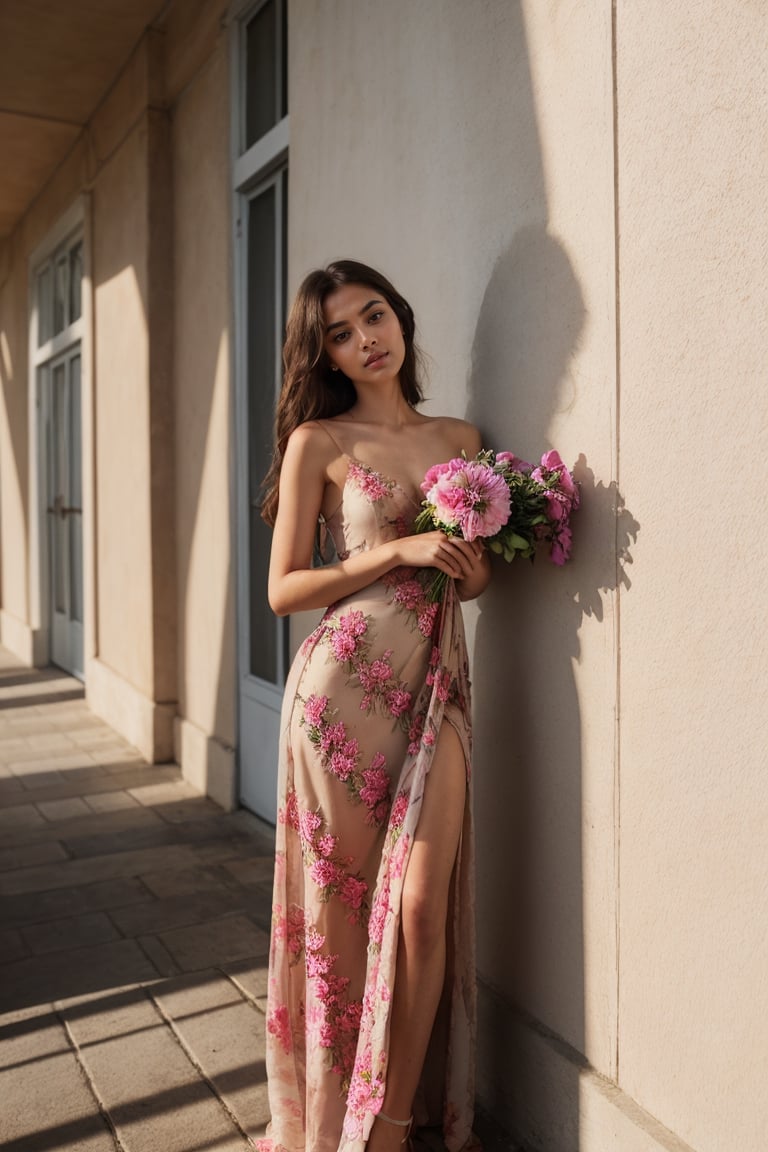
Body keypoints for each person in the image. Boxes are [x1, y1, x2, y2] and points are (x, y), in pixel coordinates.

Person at [257, 260, 491, 1152]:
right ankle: (340, 1116)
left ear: (401, 316)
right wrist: (396, 557)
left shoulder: (462, 437)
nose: (368, 339)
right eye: (344, 334)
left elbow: (477, 579)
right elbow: (284, 589)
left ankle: (392, 1122)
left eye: (376, 315)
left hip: (436, 691)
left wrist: (471, 571)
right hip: (337, 702)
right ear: (329, 357)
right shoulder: (319, 439)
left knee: (423, 906)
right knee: (343, 915)